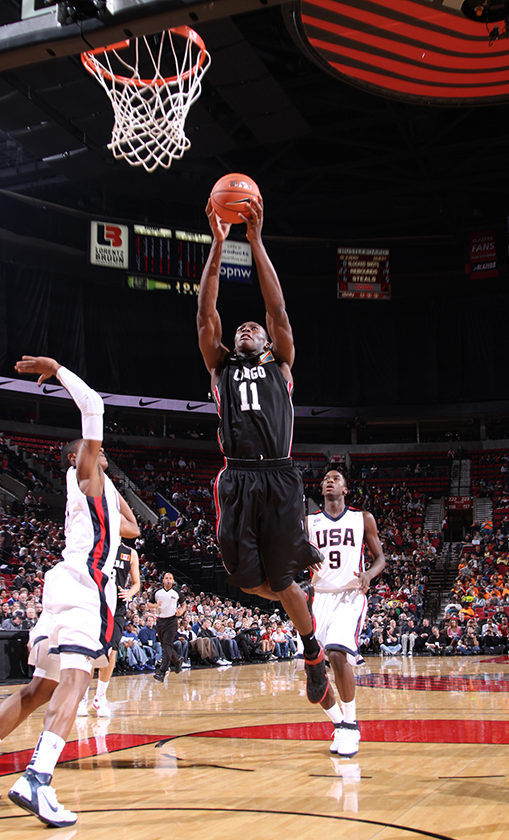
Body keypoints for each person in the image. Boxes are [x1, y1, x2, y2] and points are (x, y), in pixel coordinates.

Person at [0, 356, 139, 826]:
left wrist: (114, 487)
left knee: (38, 689)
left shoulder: (103, 489)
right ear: (79, 457)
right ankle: (38, 778)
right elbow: (93, 405)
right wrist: (60, 370)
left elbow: (129, 527)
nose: (104, 454)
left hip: (66, 586)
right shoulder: (85, 474)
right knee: (76, 678)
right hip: (84, 585)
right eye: (96, 452)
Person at [196, 194, 327, 703]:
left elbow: (277, 307)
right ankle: (297, 590)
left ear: (268, 342)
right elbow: (206, 310)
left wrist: (254, 240)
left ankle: (311, 650)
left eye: (255, 328)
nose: (247, 327)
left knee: (286, 578)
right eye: (241, 327)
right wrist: (217, 245)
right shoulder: (219, 366)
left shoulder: (282, 363)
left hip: (278, 474)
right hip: (235, 478)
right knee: (250, 582)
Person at [305, 470, 385, 757]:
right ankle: (340, 725)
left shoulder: (362, 518)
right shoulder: (309, 522)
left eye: (336, 478)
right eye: (326, 478)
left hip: (350, 594)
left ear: (345, 489)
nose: (330, 480)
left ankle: (351, 725)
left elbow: (380, 558)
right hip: (319, 598)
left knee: (338, 653)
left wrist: (369, 574)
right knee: (314, 675)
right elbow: (295, 556)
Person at [77, 542, 141, 718]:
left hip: (117, 607)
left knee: (112, 652)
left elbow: (137, 583)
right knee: (91, 654)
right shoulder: (95, 546)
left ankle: (100, 697)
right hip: (95, 604)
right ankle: (82, 698)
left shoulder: (130, 553)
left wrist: (129, 593)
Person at [147, 572, 186, 681]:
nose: (168, 580)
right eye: (166, 578)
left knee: (167, 645)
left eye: (170, 578)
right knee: (165, 646)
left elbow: (184, 604)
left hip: (172, 621)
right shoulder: (157, 592)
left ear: (173, 581)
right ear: (163, 580)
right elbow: (148, 604)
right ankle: (177, 659)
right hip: (160, 621)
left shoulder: (177, 592)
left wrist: (181, 612)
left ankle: (163, 672)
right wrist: (156, 605)